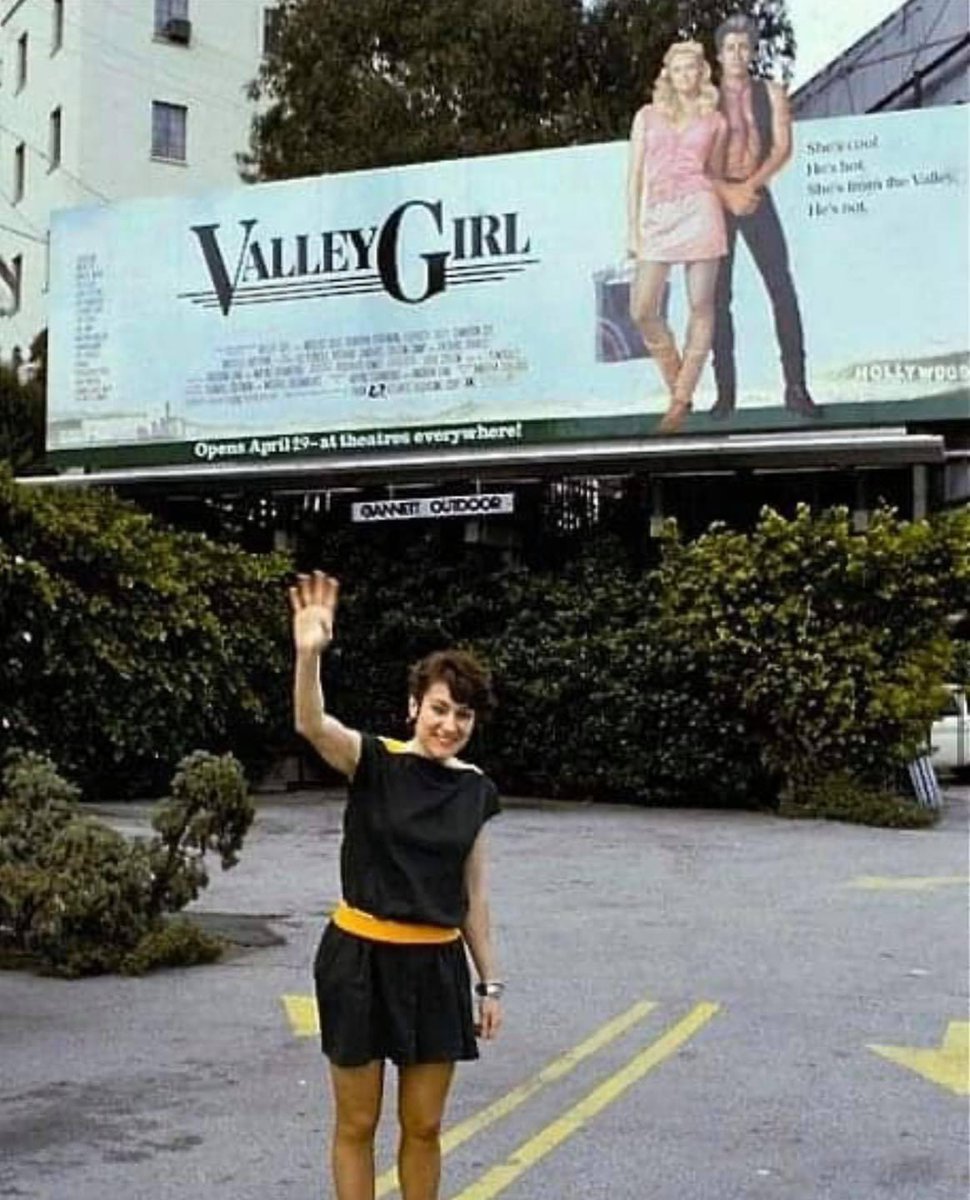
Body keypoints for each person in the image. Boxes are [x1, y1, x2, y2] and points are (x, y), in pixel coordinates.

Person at [290, 570, 503, 1200]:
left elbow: (474, 898)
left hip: (435, 967)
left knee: (425, 1125)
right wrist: (308, 656)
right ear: (415, 706)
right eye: (439, 708)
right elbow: (311, 722)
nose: (449, 723)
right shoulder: (373, 759)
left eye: (462, 714)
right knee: (358, 1122)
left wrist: (489, 981)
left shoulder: (475, 790)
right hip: (359, 960)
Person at [710, 13, 820, 419]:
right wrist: (727, 191)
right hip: (718, 198)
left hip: (756, 193)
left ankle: (796, 387)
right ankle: (725, 396)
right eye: (730, 48)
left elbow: (781, 148)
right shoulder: (704, 99)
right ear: (719, 55)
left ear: (752, 53)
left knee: (782, 288)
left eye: (744, 47)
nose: (738, 54)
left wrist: (749, 187)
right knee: (717, 298)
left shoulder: (771, 92)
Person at [627, 40, 728, 434]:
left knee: (701, 306)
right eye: (679, 68)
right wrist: (632, 229)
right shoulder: (647, 116)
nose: (686, 75)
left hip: (701, 212)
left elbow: (715, 172)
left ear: (701, 73)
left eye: (693, 68)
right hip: (657, 218)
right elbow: (634, 176)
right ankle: (678, 386)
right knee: (642, 309)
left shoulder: (714, 121)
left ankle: (680, 401)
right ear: (668, 73)